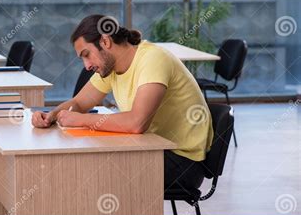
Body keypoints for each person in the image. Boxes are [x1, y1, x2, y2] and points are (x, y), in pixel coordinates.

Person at [31, 14, 214, 192]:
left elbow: (137, 123)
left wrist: (80, 119)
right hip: (152, 149)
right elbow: (79, 102)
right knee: (82, 165)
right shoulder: (109, 68)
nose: (87, 66)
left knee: (90, 170)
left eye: (87, 55)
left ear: (105, 42)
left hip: (183, 161)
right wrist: (51, 116)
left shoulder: (152, 59)